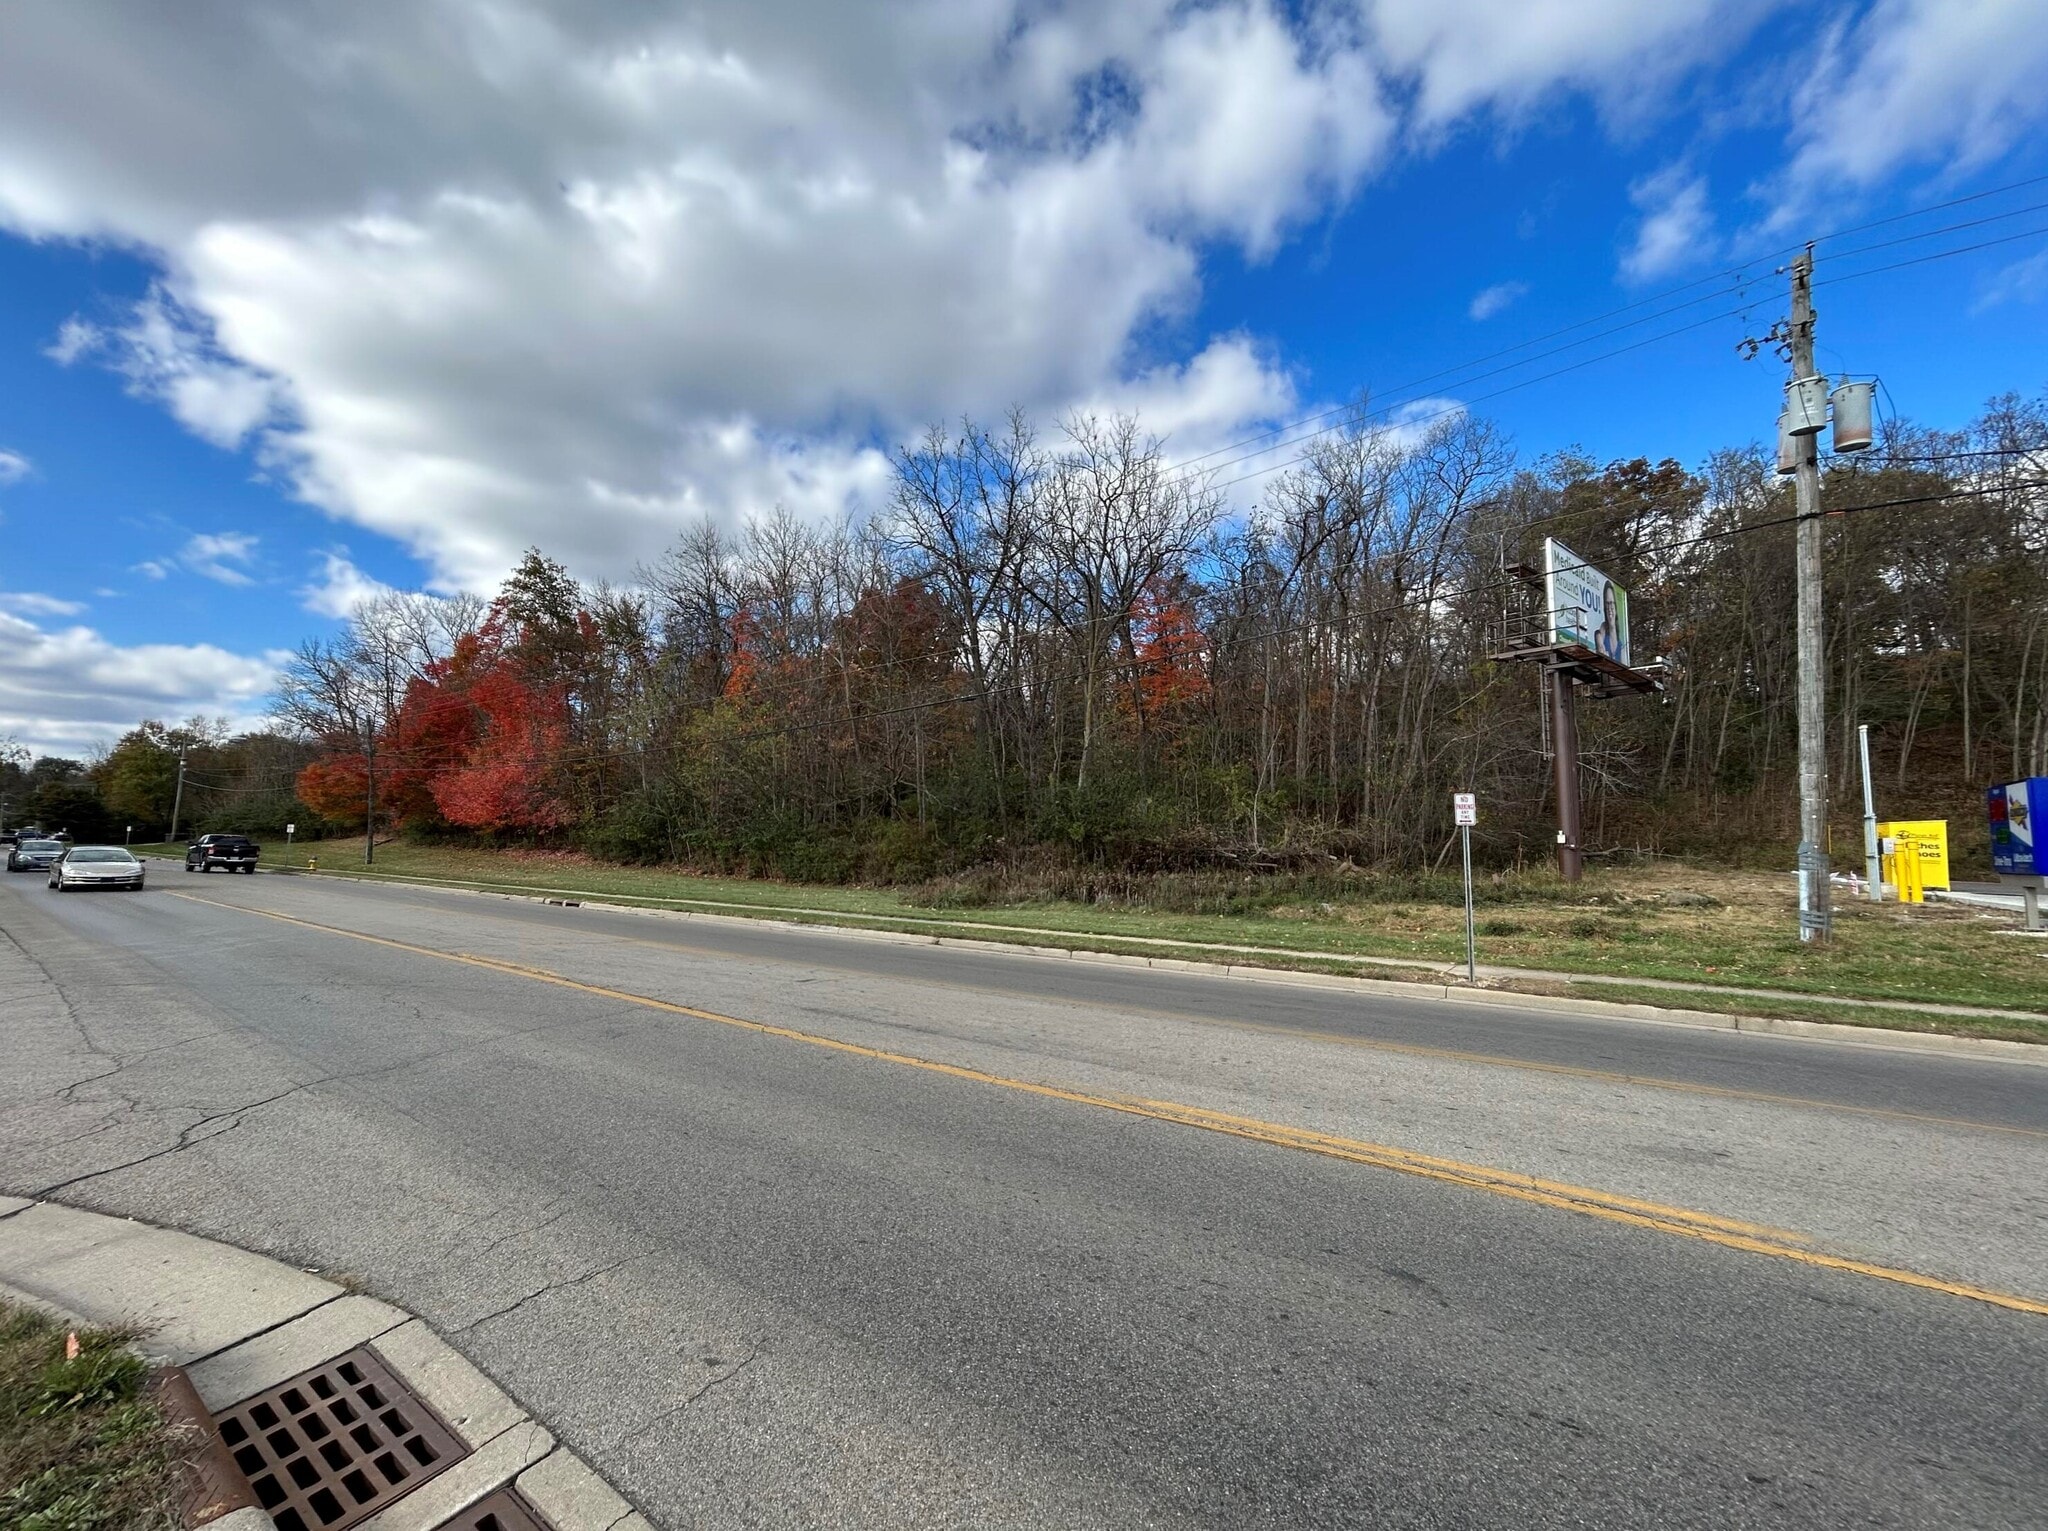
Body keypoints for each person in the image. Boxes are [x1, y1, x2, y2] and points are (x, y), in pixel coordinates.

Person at [1594, 583, 1624, 662]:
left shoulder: (1621, 645)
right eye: (1607, 603)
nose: (1609, 608)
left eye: (1611, 603)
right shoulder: (1601, 631)